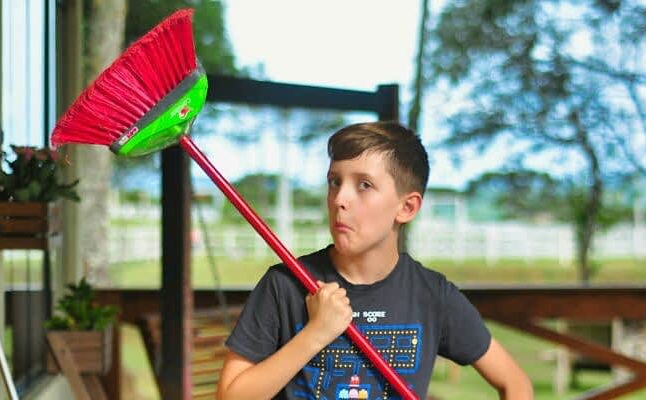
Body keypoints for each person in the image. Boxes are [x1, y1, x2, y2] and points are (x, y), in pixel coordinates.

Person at [217, 121, 533, 399]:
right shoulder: (284, 285)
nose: (340, 199)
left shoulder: (432, 294)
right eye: (334, 182)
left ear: (406, 208)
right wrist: (315, 334)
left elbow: (516, 384)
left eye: (364, 185)